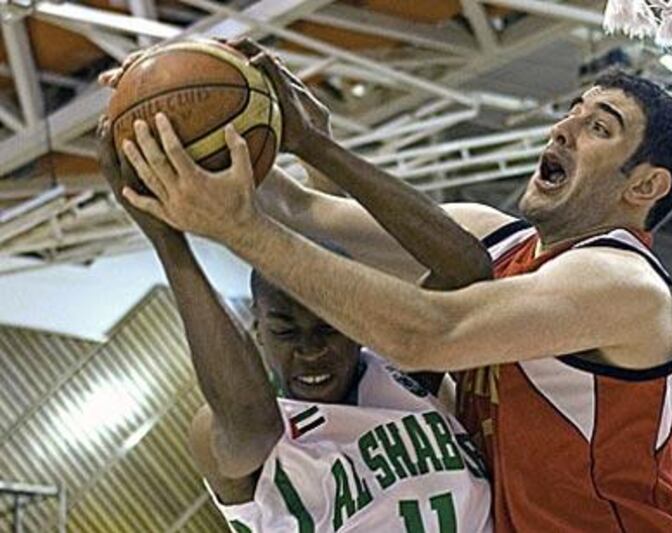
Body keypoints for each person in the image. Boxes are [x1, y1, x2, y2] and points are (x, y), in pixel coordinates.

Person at [111, 39, 672, 531]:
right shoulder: (498, 241)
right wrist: (167, 113)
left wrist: (238, 229)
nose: (563, 130)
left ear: (645, 186)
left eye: (598, 127)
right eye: (571, 112)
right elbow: (299, 207)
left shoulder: (623, 284)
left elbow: (429, 333)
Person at [96, 84, 494, 531]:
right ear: (258, 329)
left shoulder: (402, 365)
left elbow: (468, 267)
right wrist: (167, 240)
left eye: (327, 329)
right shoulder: (228, 430)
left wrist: (315, 145)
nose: (309, 350)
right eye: (286, 331)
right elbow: (250, 422)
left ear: (354, 324)